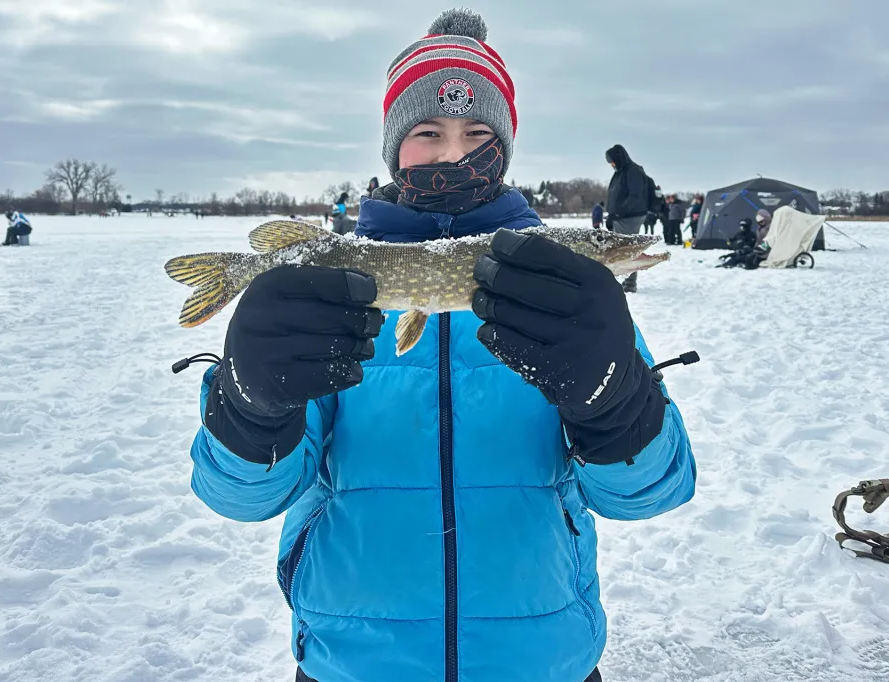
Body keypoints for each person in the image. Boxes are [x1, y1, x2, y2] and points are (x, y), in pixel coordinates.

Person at [186, 9, 696, 682]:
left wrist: (618, 403)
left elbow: (650, 494)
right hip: (355, 662)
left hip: (538, 661)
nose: (453, 152)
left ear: (505, 147)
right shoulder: (331, 289)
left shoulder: (567, 298)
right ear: (394, 147)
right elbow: (242, 497)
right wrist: (249, 404)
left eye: (476, 132)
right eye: (428, 131)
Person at [604, 144, 650, 292]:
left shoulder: (632, 171)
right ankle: (626, 280)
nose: (611, 164)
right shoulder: (620, 171)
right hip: (621, 216)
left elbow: (635, 195)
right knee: (621, 249)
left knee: (627, 249)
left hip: (630, 216)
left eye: (612, 161)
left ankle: (630, 283)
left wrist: (618, 212)